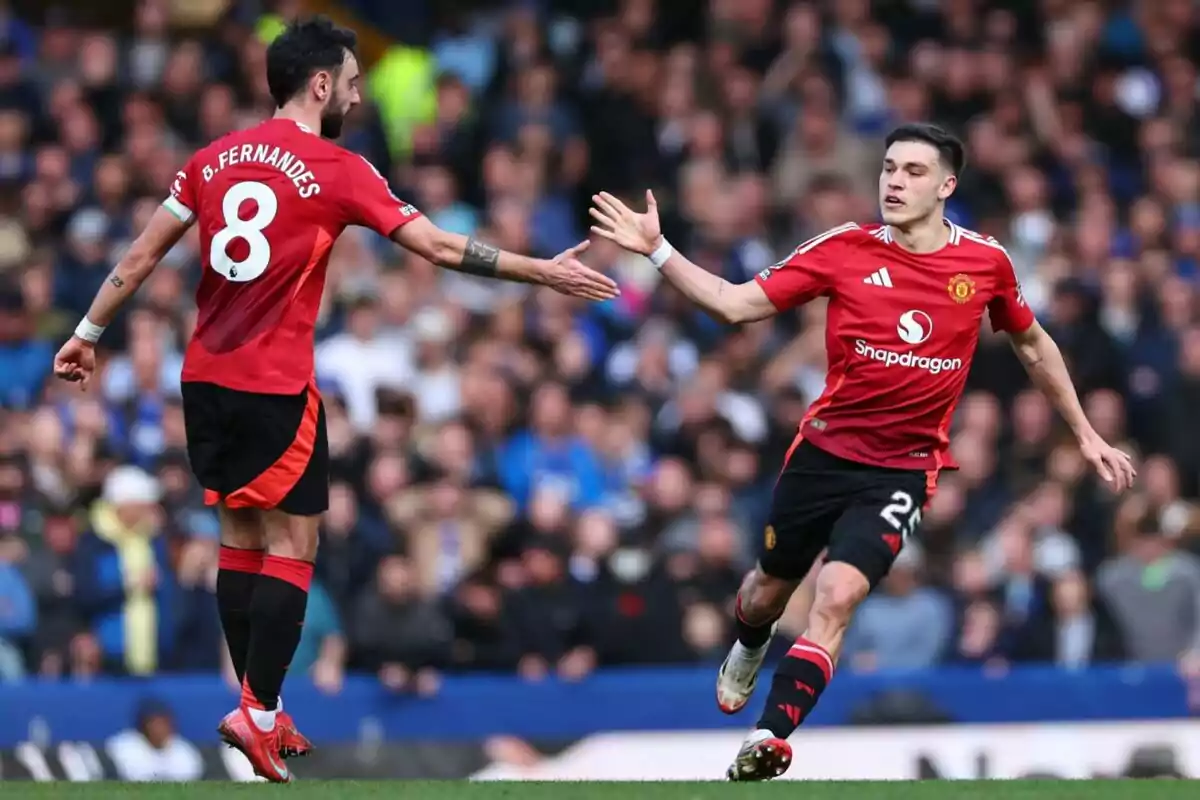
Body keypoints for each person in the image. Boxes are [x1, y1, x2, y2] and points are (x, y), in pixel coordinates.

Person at [52, 16, 617, 784]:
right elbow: (442, 248)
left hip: (203, 379)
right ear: (320, 84)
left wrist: (88, 330)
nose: (356, 94)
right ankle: (257, 711)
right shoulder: (339, 168)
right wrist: (541, 272)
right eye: (351, 82)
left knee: (239, 536)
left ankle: (254, 702)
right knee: (296, 545)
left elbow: (144, 252)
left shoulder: (210, 159)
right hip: (274, 383)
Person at [588, 122, 1136, 781]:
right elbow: (737, 307)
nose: (894, 182)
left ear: (946, 186)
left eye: (911, 171)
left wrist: (1083, 431)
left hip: (903, 470)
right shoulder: (844, 248)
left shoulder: (985, 264)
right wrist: (658, 251)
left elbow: (1033, 343)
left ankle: (770, 737)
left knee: (838, 593)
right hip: (822, 456)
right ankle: (751, 641)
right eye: (888, 168)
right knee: (766, 592)